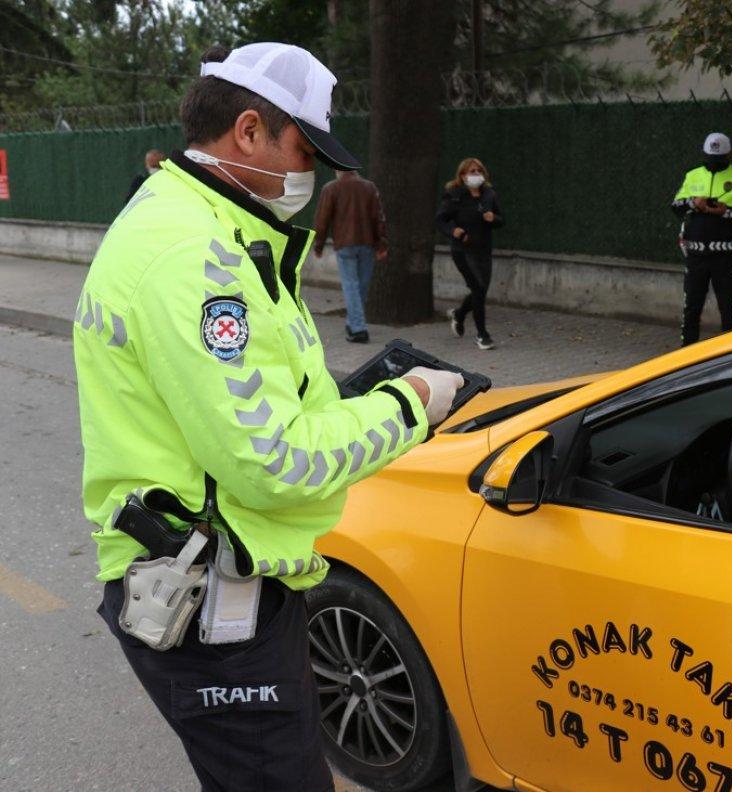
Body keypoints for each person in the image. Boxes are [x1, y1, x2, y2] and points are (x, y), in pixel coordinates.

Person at [73, 43, 463, 791]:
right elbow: (276, 461)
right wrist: (410, 405)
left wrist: (342, 405)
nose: (310, 171)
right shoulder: (197, 257)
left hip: (212, 580)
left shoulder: (185, 220)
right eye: (304, 148)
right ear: (249, 131)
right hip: (214, 603)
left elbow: (253, 402)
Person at [670, 132, 732, 346]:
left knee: (728, 308)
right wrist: (694, 203)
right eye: (711, 159)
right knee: (691, 307)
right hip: (696, 254)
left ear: (729, 155)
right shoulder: (693, 175)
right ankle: (686, 353)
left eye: (719, 159)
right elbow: (675, 207)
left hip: (726, 256)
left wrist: (725, 211)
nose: (714, 163)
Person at [436, 157, 504, 350]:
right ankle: (482, 335)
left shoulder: (489, 194)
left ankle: (459, 314)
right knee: (478, 289)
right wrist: (453, 231)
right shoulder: (454, 195)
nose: (476, 174)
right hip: (463, 250)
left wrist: (493, 218)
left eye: (479, 171)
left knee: (480, 290)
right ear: (463, 175)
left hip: (483, 250)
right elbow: (441, 220)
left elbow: (502, 219)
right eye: (472, 171)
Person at [313, 168, 387, 343]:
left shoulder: (331, 188)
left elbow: (322, 219)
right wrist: (381, 244)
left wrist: (318, 245)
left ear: (338, 170)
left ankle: (358, 328)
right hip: (367, 243)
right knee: (361, 286)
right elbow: (379, 217)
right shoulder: (369, 187)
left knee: (351, 286)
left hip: (344, 243)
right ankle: (353, 323)